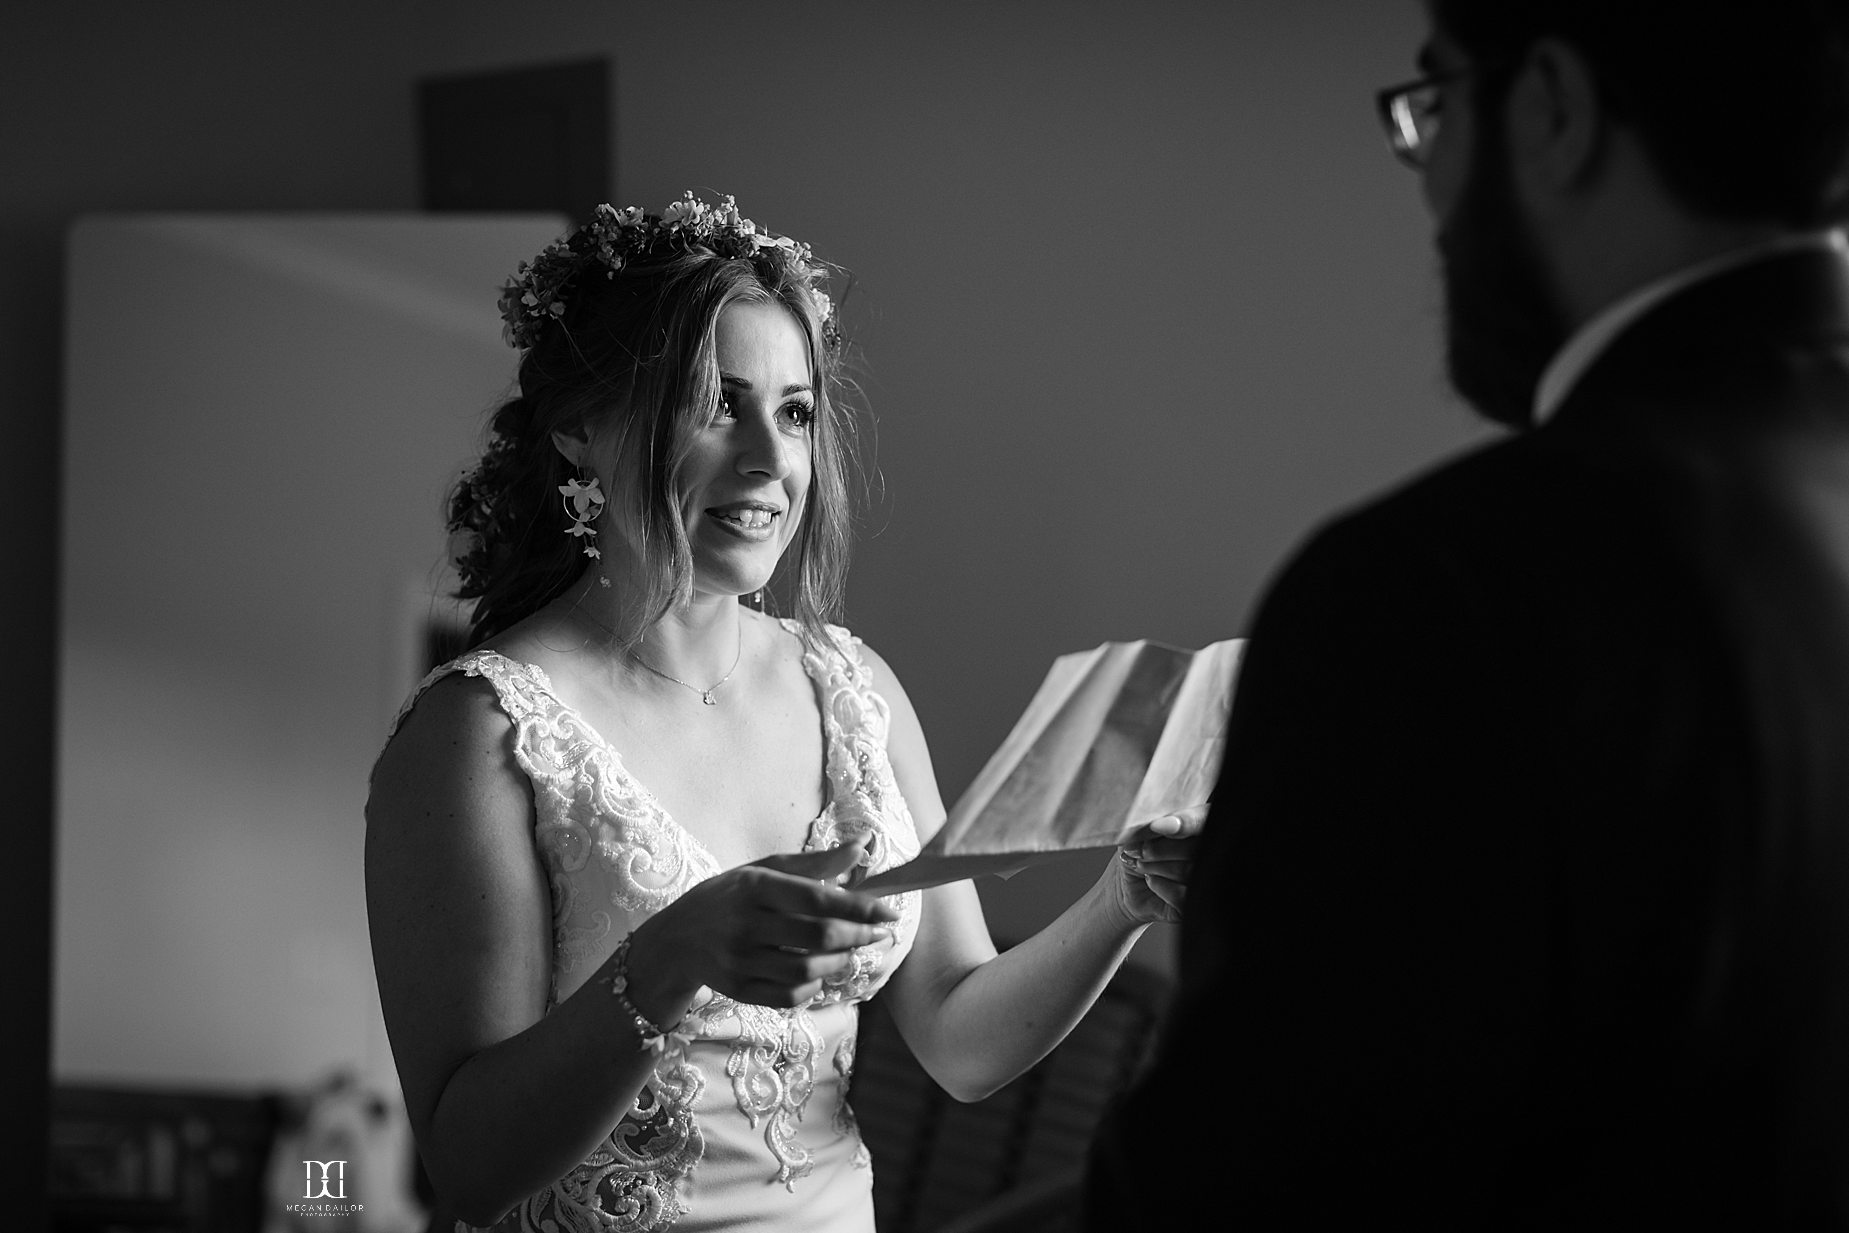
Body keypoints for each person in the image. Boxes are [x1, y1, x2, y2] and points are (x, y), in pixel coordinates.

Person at [1087, 2, 1849, 1228]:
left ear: (1551, 106)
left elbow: (1246, 1186)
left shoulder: (1434, 591)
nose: (1428, 178)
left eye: (1432, 106)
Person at [364, 192, 1199, 1233]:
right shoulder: (478, 736)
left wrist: (1124, 897)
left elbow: (958, 1039)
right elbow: (472, 1168)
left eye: (795, 411)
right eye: (717, 403)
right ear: (580, 428)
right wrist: (669, 957)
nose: (769, 457)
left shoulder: (853, 690)